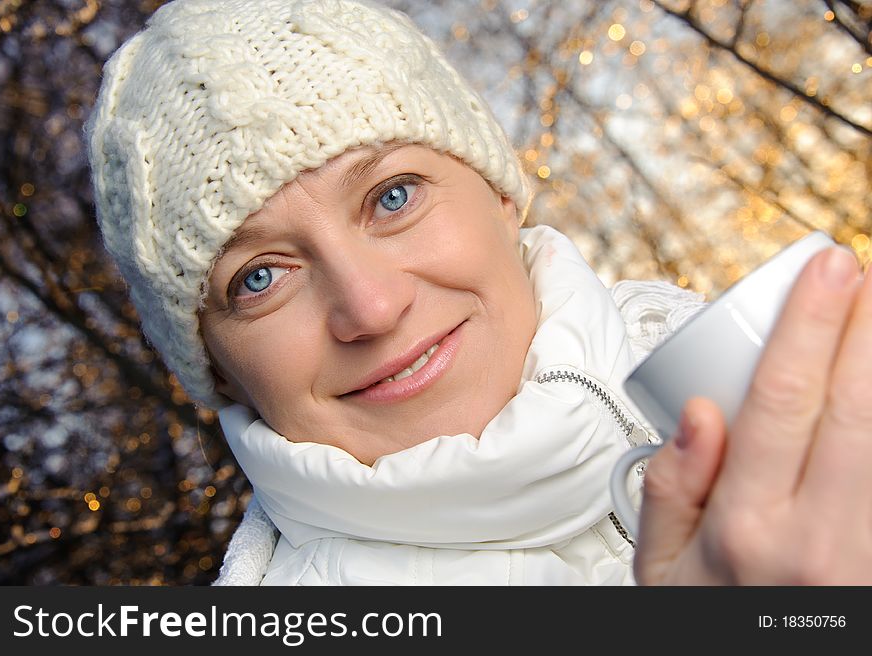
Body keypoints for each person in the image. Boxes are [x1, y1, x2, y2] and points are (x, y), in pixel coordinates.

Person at [85, 0, 871, 585]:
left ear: (500, 195)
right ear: (217, 367)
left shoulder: (764, 375)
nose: (370, 306)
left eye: (392, 196)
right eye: (259, 278)